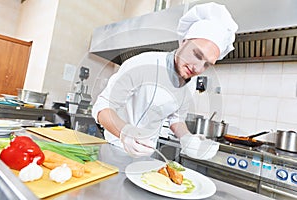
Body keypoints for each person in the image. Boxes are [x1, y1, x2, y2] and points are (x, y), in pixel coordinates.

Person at [92, 2, 238, 159]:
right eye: (197, 54)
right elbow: (102, 106)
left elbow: (176, 119)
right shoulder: (143, 64)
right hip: (115, 149)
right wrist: (125, 134)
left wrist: (187, 138)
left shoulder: (190, 84)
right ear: (184, 42)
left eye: (207, 64)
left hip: (147, 155)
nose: (198, 68)